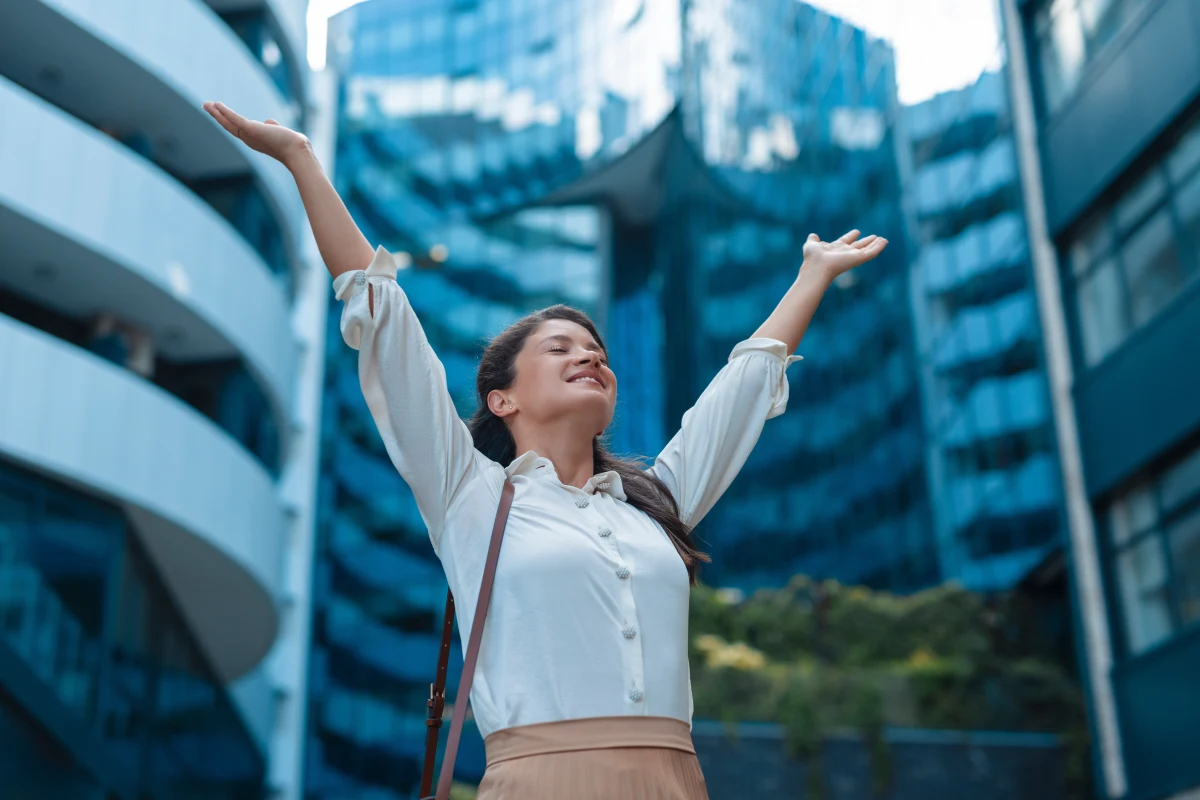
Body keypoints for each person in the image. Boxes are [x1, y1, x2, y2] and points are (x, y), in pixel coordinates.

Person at [204, 101, 887, 800]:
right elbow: (384, 319)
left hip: (676, 779)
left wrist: (813, 275)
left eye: (597, 353)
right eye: (560, 349)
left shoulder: (655, 504)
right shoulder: (468, 494)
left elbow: (740, 392)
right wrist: (300, 160)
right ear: (502, 399)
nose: (589, 357)